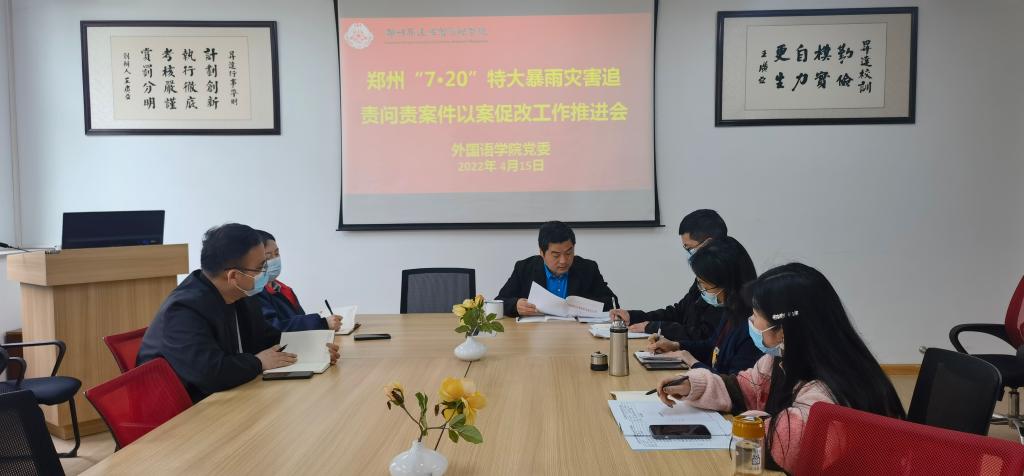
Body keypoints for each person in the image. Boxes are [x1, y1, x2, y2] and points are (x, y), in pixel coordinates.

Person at [656, 263, 905, 472]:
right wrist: (692, 384)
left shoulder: (830, 390)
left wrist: (751, 422)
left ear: (783, 330)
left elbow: (789, 449)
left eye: (755, 316)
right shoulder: (783, 358)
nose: (750, 322)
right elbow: (745, 389)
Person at [137, 223, 340, 402]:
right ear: (233, 276)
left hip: (229, 395)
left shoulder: (241, 294)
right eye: (260, 267)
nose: (266, 273)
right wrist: (258, 362)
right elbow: (211, 373)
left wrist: (311, 349)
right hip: (182, 412)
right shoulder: (184, 310)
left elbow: (266, 338)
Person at [644, 236, 761, 374]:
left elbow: (735, 383)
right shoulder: (732, 309)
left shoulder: (754, 328)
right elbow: (712, 346)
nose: (702, 291)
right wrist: (676, 345)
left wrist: (692, 362)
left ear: (729, 283)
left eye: (705, 285)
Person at [609, 209, 728, 342]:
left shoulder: (727, 281)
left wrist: (656, 327)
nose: (689, 254)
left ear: (708, 244)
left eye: (689, 248)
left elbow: (704, 336)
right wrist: (633, 317)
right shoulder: (704, 275)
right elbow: (679, 313)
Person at [496, 221, 617, 317]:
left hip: (577, 334)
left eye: (568, 253)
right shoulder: (524, 268)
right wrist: (516, 305)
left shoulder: (588, 268)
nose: (563, 261)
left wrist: (582, 304)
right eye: (556, 255)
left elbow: (613, 303)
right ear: (542, 252)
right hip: (536, 334)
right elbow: (499, 302)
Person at [255, 230, 342, 332]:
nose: (275, 259)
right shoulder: (256, 293)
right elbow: (273, 328)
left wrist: (323, 324)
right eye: (268, 257)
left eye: (277, 253)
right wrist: (322, 323)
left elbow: (299, 321)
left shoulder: (284, 289)